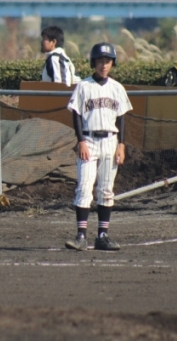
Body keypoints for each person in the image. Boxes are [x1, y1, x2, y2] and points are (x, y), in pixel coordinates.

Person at [65, 42, 132, 252]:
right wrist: (81, 141)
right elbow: (76, 115)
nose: (104, 65)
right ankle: (81, 236)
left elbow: (121, 118)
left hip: (111, 141)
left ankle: (103, 235)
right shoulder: (83, 86)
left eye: (108, 61)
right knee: (84, 187)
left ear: (113, 63)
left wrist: (121, 145)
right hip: (89, 140)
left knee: (106, 189)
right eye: (100, 61)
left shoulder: (117, 87)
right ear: (93, 62)